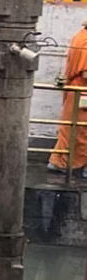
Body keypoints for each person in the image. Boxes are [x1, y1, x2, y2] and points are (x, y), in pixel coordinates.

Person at [49, 18, 87, 177]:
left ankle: (59, 161)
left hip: (75, 89)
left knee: (70, 127)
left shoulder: (80, 36)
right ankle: (77, 164)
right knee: (81, 130)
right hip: (83, 90)